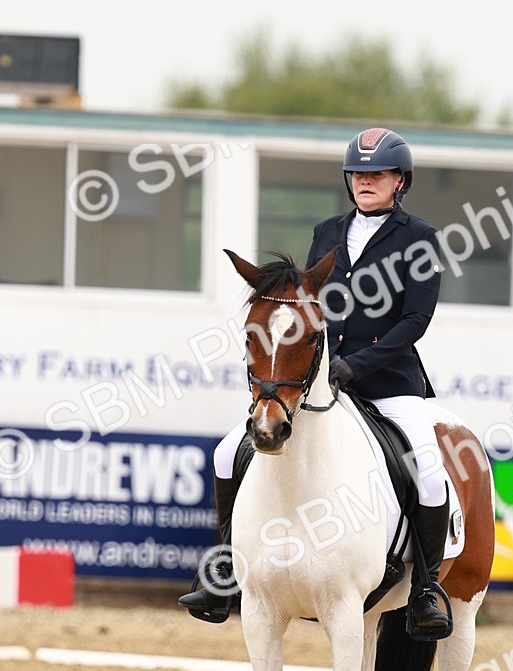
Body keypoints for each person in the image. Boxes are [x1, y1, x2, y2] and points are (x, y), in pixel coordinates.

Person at [179, 126, 452, 639]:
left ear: (400, 181)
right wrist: (317, 368)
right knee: (224, 454)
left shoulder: (420, 238)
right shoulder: (327, 232)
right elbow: (307, 309)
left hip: (390, 382)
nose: (366, 181)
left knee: (429, 469)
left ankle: (426, 590)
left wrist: (361, 364)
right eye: (358, 174)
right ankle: (223, 570)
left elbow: (415, 320)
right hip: (324, 385)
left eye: (378, 174)